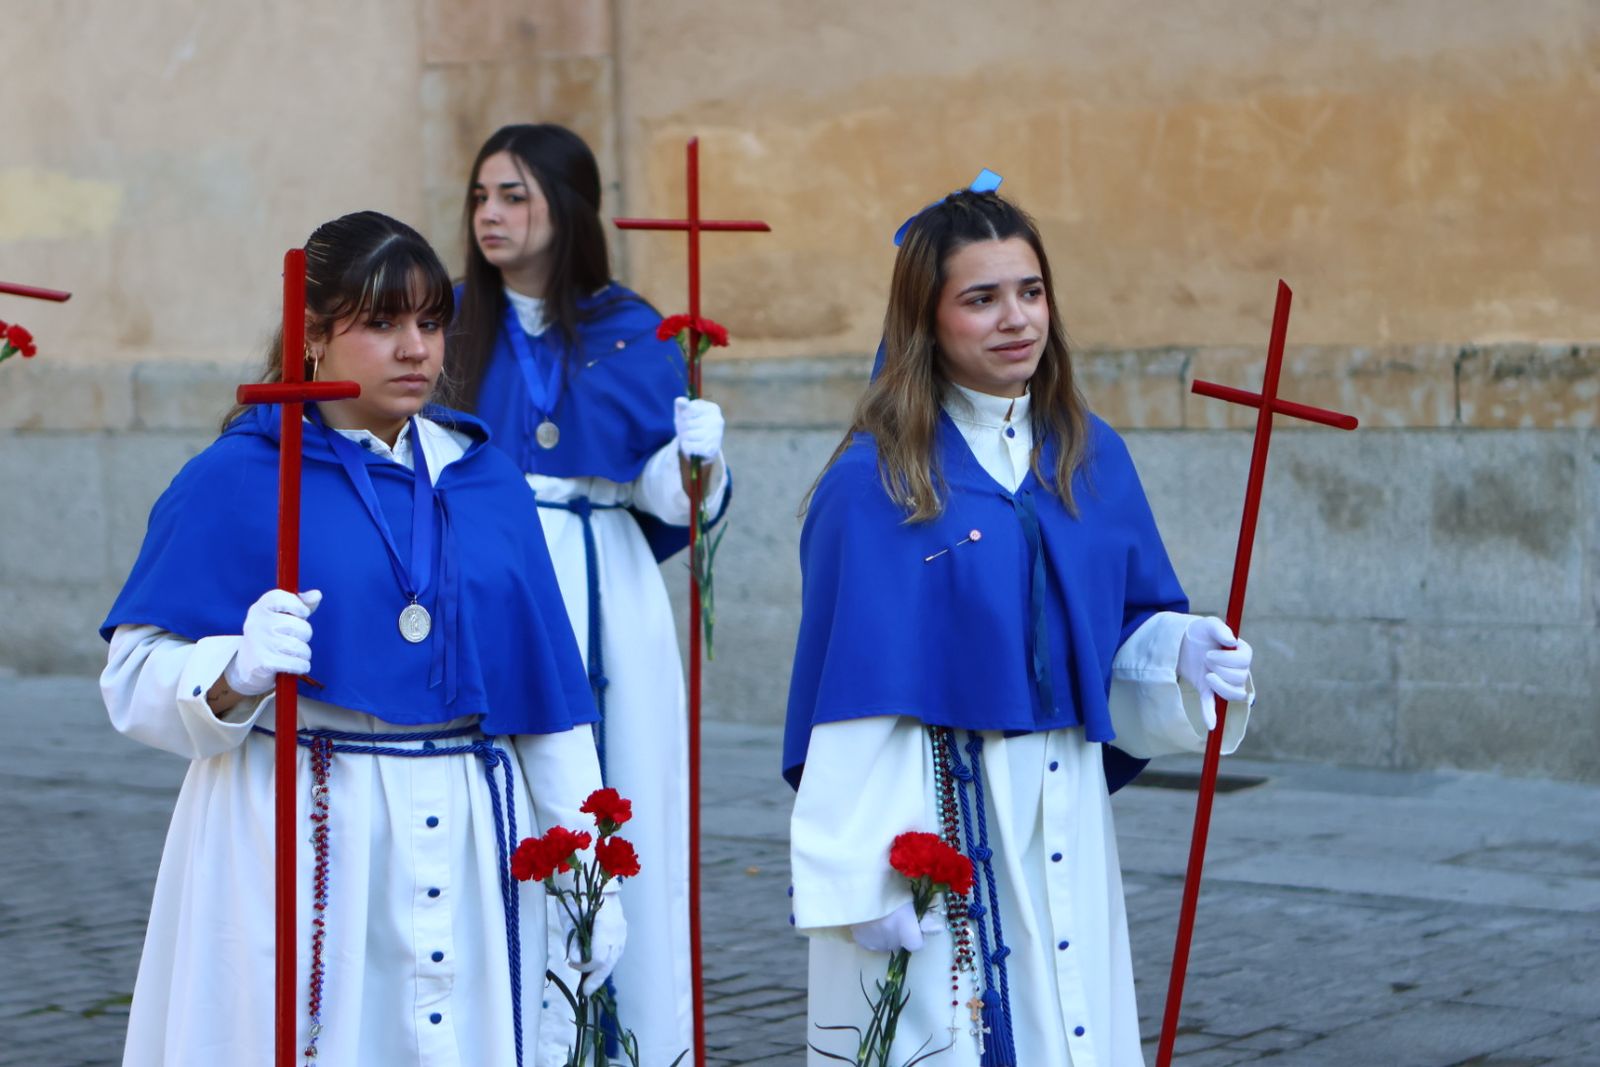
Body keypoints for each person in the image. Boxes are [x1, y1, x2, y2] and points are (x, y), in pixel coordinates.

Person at [101, 211, 623, 1067]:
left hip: (468, 828)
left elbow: (548, 696)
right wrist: (231, 668)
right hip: (303, 827)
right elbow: (131, 678)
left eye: (429, 321)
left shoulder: (485, 479)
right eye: (381, 323)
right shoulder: (237, 477)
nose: (416, 348)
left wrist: (590, 880)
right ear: (311, 339)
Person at [784, 188, 1257, 1066]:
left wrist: (1179, 652)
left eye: (1031, 292)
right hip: (932, 822)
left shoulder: (1087, 451)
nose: (1016, 320)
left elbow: (1113, 629)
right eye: (981, 298)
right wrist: (863, 878)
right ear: (925, 319)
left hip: (1064, 800)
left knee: (1069, 1026)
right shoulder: (876, 482)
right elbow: (851, 692)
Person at [449, 123, 728, 1066]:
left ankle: (631, 1041)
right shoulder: (440, 321)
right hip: (485, 583)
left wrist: (694, 460)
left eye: (514, 196)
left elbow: (663, 495)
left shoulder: (628, 325)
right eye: (481, 195)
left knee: (626, 790)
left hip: (607, 578)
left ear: (567, 209)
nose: (491, 214)